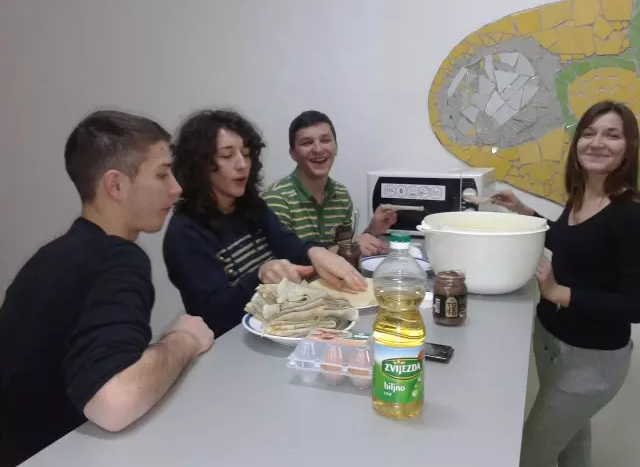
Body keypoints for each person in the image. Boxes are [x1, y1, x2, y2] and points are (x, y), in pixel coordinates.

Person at [0, 110, 214, 466]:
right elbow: (115, 402)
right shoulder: (117, 259)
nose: (176, 187)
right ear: (116, 186)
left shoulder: (54, 255)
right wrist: (184, 340)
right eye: (162, 174)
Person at [490, 101, 640, 467]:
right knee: (572, 442)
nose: (597, 142)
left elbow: (635, 305)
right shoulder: (582, 194)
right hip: (550, 340)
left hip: (591, 359)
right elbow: (572, 242)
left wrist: (559, 292)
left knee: (528, 455)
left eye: (612, 135)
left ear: (629, 147)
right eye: (588, 133)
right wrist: (524, 211)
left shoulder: (630, 213)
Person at [163, 109, 366, 338]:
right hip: (233, 343)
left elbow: (288, 244)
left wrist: (315, 251)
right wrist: (260, 276)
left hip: (273, 329)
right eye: (227, 156)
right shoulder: (185, 232)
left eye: (246, 154)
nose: (242, 164)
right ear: (199, 165)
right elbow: (214, 316)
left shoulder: (250, 207)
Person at [263, 110, 397, 256]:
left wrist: (372, 230)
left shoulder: (341, 194)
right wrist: (340, 250)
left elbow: (346, 249)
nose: (318, 149)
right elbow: (280, 261)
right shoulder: (277, 198)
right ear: (293, 154)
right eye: (307, 143)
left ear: (336, 147)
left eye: (325, 140)